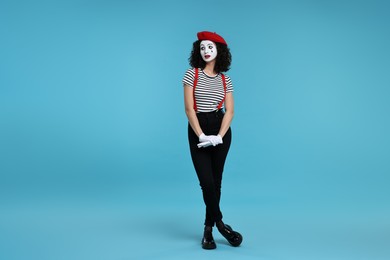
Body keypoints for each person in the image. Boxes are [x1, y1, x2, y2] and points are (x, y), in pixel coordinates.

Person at [182, 31, 243, 250]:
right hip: (199, 127)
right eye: (202, 47)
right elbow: (189, 110)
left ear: (219, 51)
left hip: (220, 129)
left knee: (216, 182)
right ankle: (220, 223)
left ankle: (207, 230)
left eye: (210, 47)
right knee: (206, 182)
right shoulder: (192, 75)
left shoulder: (226, 79)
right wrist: (201, 135)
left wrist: (219, 135)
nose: (206, 51)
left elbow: (230, 111)